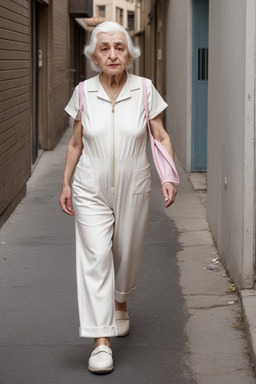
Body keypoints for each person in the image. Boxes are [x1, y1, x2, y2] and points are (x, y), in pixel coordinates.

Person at [59, 21, 177, 374]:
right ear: (94, 56)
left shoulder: (144, 90)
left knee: (127, 252)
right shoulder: (83, 92)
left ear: (129, 53)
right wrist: (66, 183)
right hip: (90, 186)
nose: (112, 54)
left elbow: (160, 135)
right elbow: (76, 143)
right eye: (105, 48)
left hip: (134, 184)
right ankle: (100, 342)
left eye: (119, 47)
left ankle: (120, 302)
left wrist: (168, 175)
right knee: (95, 257)